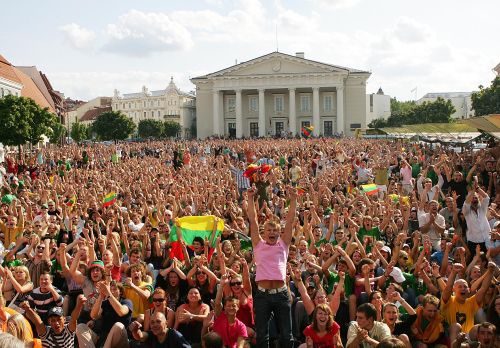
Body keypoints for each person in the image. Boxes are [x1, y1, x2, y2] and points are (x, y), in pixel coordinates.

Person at [247, 186, 297, 348]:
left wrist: (294, 199)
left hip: (281, 294)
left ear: (279, 232)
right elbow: (253, 220)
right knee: (262, 335)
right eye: (269, 229)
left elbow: (290, 220)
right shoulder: (258, 244)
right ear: (264, 232)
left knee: (287, 335)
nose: (272, 232)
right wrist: (250, 198)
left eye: (275, 230)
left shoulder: (284, 244)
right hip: (262, 295)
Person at [76, 280, 132, 348]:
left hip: (120, 339)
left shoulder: (126, 301)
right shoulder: (105, 303)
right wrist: (101, 296)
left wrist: (108, 293)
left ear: (120, 292)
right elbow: (93, 316)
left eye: (115, 289)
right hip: (103, 338)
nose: (112, 291)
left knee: (118, 326)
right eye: (110, 290)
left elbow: (121, 312)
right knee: (80, 327)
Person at [21, 294, 85, 348]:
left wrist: (79, 305)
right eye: (53, 320)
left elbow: (74, 318)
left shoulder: (68, 330)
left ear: (64, 319)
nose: (56, 323)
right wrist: (28, 309)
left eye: (59, 319)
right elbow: (37, 322)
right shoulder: (46, 333)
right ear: (49, 322)